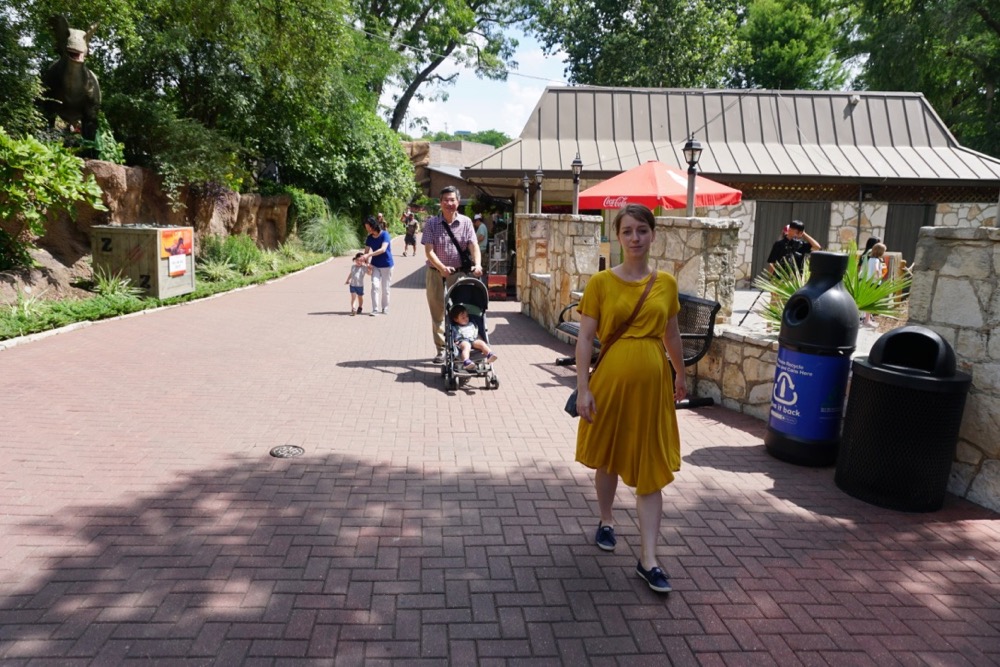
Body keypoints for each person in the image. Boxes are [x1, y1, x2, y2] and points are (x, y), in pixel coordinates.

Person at [573, 203, 687, 594]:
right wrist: (583, 387)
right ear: (618, 237)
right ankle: (606, 520)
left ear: (653, 234)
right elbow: (585, 338)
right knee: (608, 455)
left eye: (642, 230)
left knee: (650, 463)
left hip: (653, 388)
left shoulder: (666, 283)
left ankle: (648, 559)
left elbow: (672, 334)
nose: (635, 238)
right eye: (627, 231)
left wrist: (681, 373)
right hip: (609, 383)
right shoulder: (601, 282)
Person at [421, 186, 483, 363]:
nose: (449, 203)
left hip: (458, 273)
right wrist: (441, 267)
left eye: (452, 200)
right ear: (440, 202)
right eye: (445, 200)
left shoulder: (466, 222)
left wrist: (478, 264)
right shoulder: (432, 223)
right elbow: (429, 251)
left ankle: (459, 345)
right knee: (437, 312)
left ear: (458, 201)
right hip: (435, 273)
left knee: (460, 308)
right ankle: (441, 350)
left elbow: (473, 245)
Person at [362, 215, 394, 315]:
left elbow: (383, 249)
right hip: (375, 265)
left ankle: (385, 308)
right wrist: (367, 264)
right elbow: (366, 252)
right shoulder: (369, 238)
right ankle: (375, 309)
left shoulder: (385, 235)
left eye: (368, 227)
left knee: (385, 288)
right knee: (375, 286)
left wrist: (369, 255)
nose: (367, 229)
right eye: (366, 228)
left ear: (373, 226)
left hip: (387, 265)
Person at [449, 304, 498, 369]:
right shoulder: (455, 327)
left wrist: (480, 339)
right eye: (463, 318)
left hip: (473, 340)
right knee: (467, 346)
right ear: (456, 319)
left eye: (467, 316)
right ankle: (466, 361)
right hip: (462, 341)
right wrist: (454, 341)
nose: (466, 319)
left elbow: (476, 333)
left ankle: (490, 354)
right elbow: (452, 335)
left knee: (482, 343)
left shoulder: (472, 324)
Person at [862, 242, 887, 327]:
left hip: (868, 281)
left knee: (869, 299)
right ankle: (867, 320)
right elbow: (876, 269)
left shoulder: (870, 259)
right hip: (874, 282)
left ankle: (867, 319)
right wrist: (879, 276)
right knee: (871, 301)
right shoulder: (877, 260)